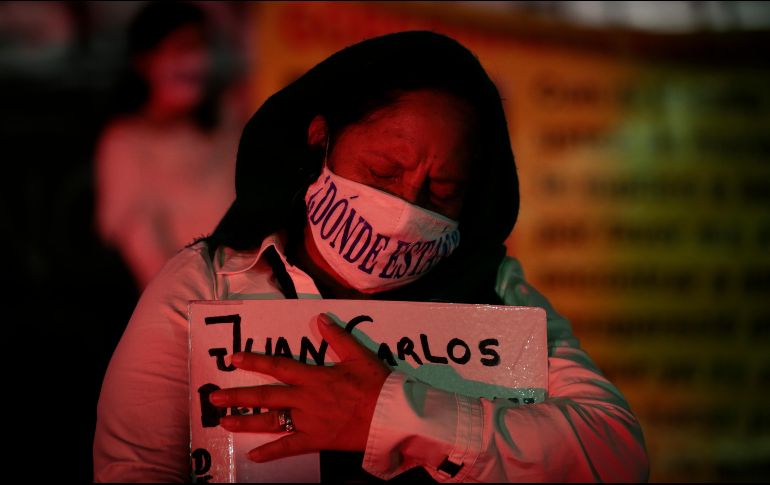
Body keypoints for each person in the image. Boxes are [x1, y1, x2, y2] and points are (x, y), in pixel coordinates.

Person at [94, 31, 649, 482]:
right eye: (383, 172)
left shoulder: (497, 292)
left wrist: (388, 415)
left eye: (442, 190)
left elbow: (615, 454)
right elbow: (135, 469)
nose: (407, 207)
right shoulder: (205, 285)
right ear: (321, 139)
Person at [94, 1, 239, 289]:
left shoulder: (227, 121)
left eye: (200, 46)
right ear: (146, 62)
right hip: (194, 309)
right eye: (181, 48)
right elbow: (147, 257)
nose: (195, 59)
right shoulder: (125, 142)